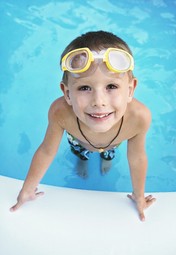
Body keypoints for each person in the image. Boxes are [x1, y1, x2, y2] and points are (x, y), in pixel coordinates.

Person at [10, 30, 156, 221]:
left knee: (108, 152)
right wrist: (27, 189)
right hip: (78, 140)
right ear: (67, 93)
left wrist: (139, 196)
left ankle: (106, 158)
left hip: (114, 142)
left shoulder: (139, 117)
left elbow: (136, 157)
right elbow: (47, 151)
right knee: (80, 152)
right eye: (84, 88)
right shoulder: (60, 113)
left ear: (130, 90)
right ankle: (82, 160)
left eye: (111, 86)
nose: (99, 101)